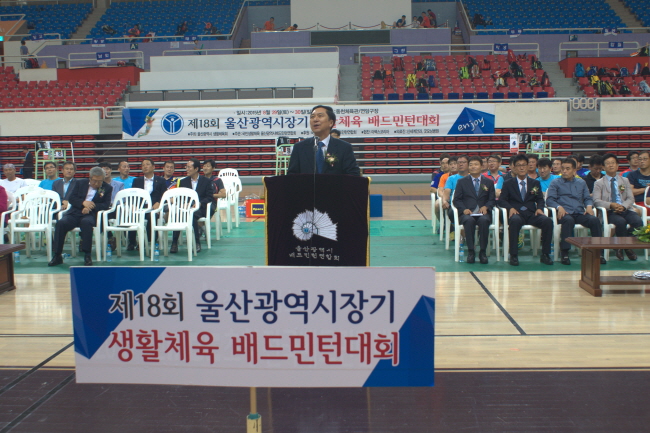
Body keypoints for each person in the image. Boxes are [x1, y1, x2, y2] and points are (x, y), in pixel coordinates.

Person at [48, 167, 112, 267]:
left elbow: (105, 204)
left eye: (99, 181)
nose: (96, 183)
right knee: (61, 223)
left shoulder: (106, 188)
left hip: (91, 214)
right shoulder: (80, 183)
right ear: (90, 178)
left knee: (86, 223)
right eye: (94, 181)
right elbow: (72, 198)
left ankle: (87, 255)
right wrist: (83, 203)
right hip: (75, 212)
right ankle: (57, 255)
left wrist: (90, 206)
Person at [546, 158, 605, 266]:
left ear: (574, 170)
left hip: (579, 213)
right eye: (563, 168)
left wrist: (589, 207)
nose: (564, 171)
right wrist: (559, 207)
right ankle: (565, 253)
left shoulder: (581, 182)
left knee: (595, 220)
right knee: (568, 221)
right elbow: (550, 200)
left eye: (567, 169)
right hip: (565, 213)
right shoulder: (555, 182)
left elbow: (587, 198)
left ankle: (599, 252)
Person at [498, 154, 554, 266]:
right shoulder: (508, 183)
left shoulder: (535, 183)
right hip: (517, 213)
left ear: (528, 166)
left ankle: (545, 254)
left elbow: (540, 199)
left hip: (531, 213)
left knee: (548, 221)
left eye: (524, 165)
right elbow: (502, 200)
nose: (522, 168)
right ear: (514, 168)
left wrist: (539, 208)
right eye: (519, 165)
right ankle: (513, 255)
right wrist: (510, 208)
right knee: (514, 221)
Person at [593, 153, 642, 261]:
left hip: (625, 209)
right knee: (620, 222)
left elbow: (630, 198)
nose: (611, 165)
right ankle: (626, 248)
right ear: (603, 167)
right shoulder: (599, 183)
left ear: (617, 165)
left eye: (613, 163)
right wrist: (611, 205)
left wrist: (623, 207)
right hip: (610, 211)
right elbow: (596, 201)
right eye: (608, 163)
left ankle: (623, 246)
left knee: (638, 222)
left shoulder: (624, 181)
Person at [287, 105, 360, 176]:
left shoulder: (344, 147)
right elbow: (292, 175)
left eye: (320, 116)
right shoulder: (299, 147)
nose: (315, 119)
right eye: (312, 117)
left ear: (331, 123)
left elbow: (353, 175)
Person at [452, 156, 495, 264]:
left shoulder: (488, 182)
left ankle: (482, 252)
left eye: (476, 164)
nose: (473, 167)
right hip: (467, 213)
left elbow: (492, 199)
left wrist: (486, 207)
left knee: (484, 221)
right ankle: (471, 251)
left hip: (482, 213)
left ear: (481, 166)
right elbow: (456, 200)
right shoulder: (462, 182)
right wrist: (463, 209)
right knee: (469, 221)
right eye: (471, 165)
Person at [171, 158, 214, 254]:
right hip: (186, 208)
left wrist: (200, 203)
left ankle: (197, 242)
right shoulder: (183, 182)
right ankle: (174, 243)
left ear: (196, 169)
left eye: (189, 167)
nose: (187, 169)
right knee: (178, 215)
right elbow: (180, 197)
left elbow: (209, 197)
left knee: (192, 215)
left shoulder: (206, 181)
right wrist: (184, 203)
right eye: (186, 167)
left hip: (200, 208)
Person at [128, 159, 167, 250]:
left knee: (152, 216)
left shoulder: (160, 180)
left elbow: (164, 195)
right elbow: (133, 195)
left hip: (154, 207)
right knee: (132, 215)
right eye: (143, 165)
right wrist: (134, 205)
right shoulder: (137, 180)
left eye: (147, 164)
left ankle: (148, 241)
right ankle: (132, 242)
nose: (145, 166)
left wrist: (159, 203)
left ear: (153, 167)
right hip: (140, 207)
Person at [98, 162, 125, 251]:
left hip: (116, 209)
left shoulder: (119, 184)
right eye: (102, 169)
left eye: (107, 169)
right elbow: (99, 198)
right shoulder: (99, 185)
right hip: (104, 209)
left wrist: (112, 203)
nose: (105, 171)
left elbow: (122, 200)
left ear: (111, 170)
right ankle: (110, 237)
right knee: (100, 215)